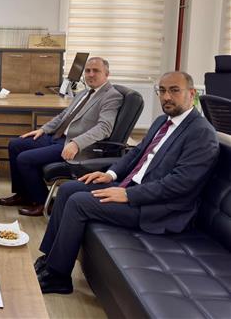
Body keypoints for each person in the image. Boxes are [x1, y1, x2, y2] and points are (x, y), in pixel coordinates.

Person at [35, 71, 219, 295]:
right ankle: (49, 259)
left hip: (158, 208)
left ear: (192, 94)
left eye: (174, 90)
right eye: (162, 91)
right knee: (68, 189)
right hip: (131, 187)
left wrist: (129, 195)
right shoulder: (162, 121)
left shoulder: (201, 133)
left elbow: (180, 184)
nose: (166, 97)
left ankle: (58, 277)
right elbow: (136, 153)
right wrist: (111, 175)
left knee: (78, 203)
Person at [0, 57, 123, 217]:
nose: (90, 74)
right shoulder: (84, 93)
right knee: (16, 144)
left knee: (25, 159)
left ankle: (43, 202)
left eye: (96, 71)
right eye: (88, 71)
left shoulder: (111, 96)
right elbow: (64, 116)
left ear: (107, 74)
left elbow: (104, 128)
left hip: (76, 145)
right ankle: (23, 194)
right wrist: (43, 130)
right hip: (58, 136)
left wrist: (76, 143)